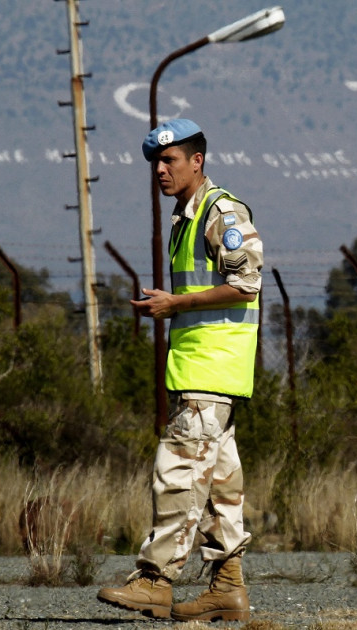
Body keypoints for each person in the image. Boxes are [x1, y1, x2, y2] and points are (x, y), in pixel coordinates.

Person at [97, 119, 262, 622]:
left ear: (198, 161)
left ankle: (155, 579)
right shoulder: (184, 218)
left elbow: (247, 281)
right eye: (155, 163)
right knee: (218, 488)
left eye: (169, 161)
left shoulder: (221, 212)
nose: (160, 170)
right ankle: (227, 590)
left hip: (211, 370)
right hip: (202, 370)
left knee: (179, 474)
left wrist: (176, 304)